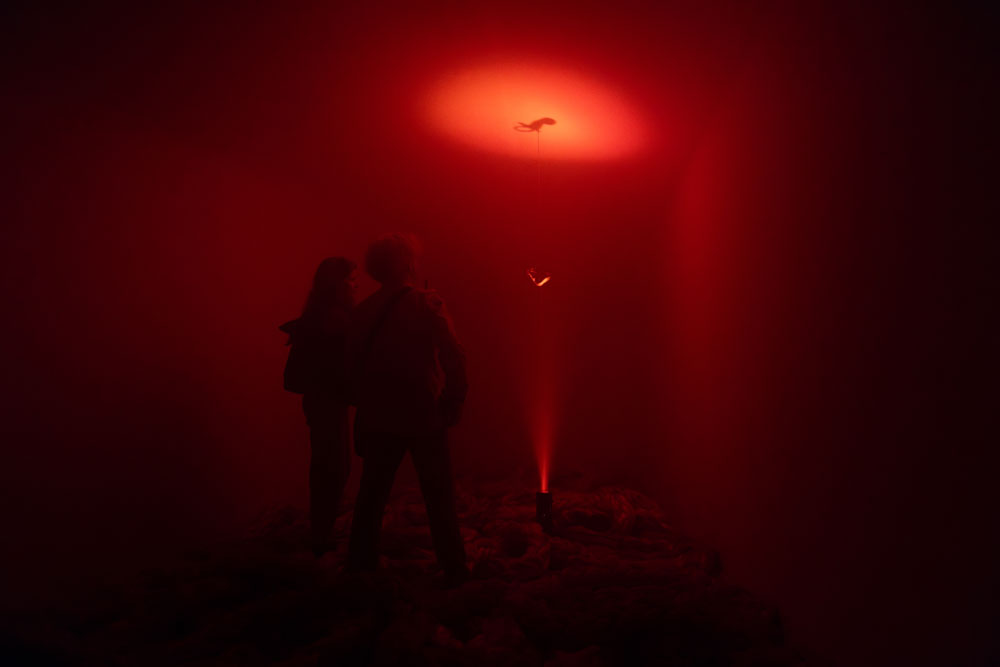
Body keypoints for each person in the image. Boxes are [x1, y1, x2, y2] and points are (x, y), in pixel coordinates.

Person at [347, 233, 468, 584]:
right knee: (439, 494)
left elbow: (351, 366)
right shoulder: (427, 303)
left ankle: (359, 566)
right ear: (406, 263)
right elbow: (453, 355)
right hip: (423, 412)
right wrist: (454, 399)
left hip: (377, 414)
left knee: (371, 494)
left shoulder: (363, 311)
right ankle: (454, 567)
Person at [280, 257, 358, 557]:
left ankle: (321, 531)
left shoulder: (318, 314)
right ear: (337, 284)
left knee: (330, 464)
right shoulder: (332, 318)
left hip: (321, 400)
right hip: (328, 400)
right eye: (351, 280)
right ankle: (321, 535)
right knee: (333, 466)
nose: (356, 285)